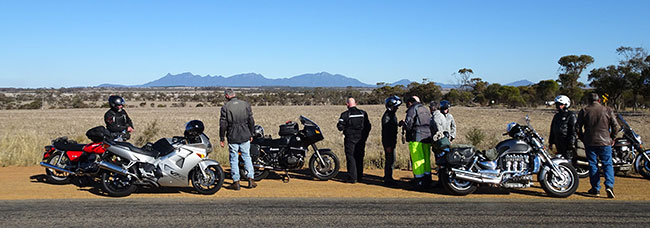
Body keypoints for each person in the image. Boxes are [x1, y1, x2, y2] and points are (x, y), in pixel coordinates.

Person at [576, 93, 619, 198]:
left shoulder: (584, 111)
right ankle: (609, 185)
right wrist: (612, 138)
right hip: (605, 141)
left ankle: (595, 188)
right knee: (607, 164)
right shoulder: (607, 110)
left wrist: (583, 138)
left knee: (592, 164)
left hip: (590, 141)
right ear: (599, 100)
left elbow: (577, 127)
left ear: (589, 101)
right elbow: (616, 126)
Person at [219, 89, 256, 190]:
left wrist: (222, 138)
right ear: (234, 95)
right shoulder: (245, 104)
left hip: (232, 135)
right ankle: (251, 179)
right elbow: (251, 121)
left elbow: (223, 124)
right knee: (247, 157)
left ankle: (236, 182)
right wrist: (251, 133)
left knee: (233, 159)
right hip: (245, 134)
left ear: (227, 96)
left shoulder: (225, 107)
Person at [337, 97, 371, 184]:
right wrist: (364, 136)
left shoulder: (345, 114)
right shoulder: (363, 113)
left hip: (350, 139)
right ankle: (359, 176)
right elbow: (368, 126)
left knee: (351, 156)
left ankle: (352, 177)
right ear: (356, 103)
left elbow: (340, 127)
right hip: (361, 139)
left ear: (347, 104)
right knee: (359, 156)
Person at [403, 96, 433, 188]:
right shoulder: (425, 109)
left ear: (410, 102)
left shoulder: (412, 109)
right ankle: (427, 179)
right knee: (426, 159)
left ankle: (419, 180)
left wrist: (403, 124)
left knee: (417, 159)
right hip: (427, 137)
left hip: (416, 137)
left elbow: (408, 125)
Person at [548, 95, 577, 164]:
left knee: (568, 158)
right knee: (559, 157)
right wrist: (551, 141)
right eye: (557, 104)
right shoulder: (557, 115)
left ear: (566, 105)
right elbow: (552, 129)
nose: (558, 106)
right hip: (558, 141)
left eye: (560, 104)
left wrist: (571, 142)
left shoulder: (571, 115)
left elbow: (573, 130)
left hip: (566, 141)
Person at [381, 95, 402, 186]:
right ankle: (388, 179)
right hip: (389, 142)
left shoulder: (392, 115)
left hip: (392, 141)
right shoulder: (387, 117)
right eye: (396, 107)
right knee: (390, 160)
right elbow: (386, 132)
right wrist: (388, 145)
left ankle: (389, 177)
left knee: (391, 160)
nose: (397, 108)